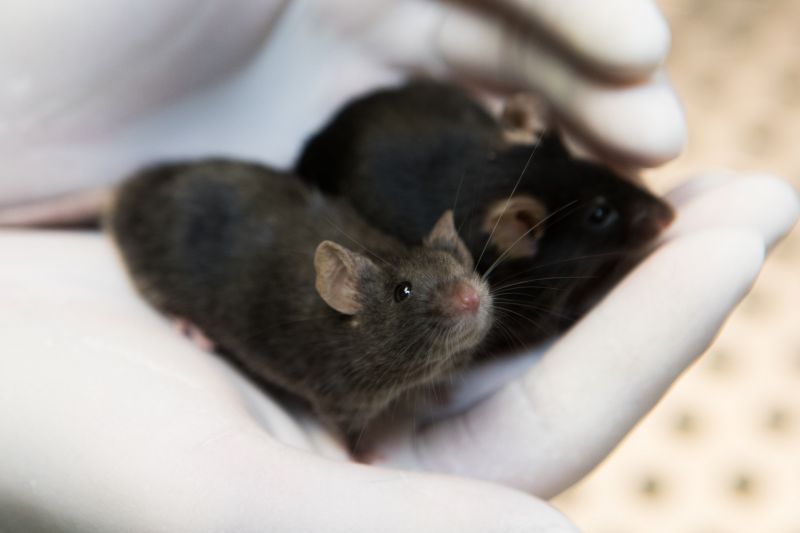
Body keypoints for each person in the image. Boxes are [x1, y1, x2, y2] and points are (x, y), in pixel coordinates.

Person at [0, 1, 796, 531]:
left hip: (268, 196)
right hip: (178, 219)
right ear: (345, 290)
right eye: (422, 287)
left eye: (453, 269)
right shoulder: (346, 353)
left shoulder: (421, 259)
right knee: (174, 240)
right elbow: (328, 383)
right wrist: (354, 434)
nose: (466, 292)